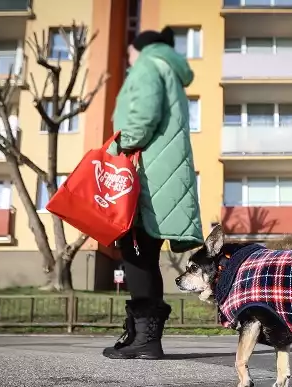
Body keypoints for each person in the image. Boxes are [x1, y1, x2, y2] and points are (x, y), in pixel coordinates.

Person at [102, 26, 204, 360]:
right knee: (145, 254)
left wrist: (116, 145)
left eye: (130, 52)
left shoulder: (148, 65)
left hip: (146, 179)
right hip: (165, 179)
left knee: (135, 254)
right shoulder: (170, 71)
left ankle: (144, 338)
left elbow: (142, 120)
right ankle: (145, 339)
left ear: (139, 49)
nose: (129, 58)